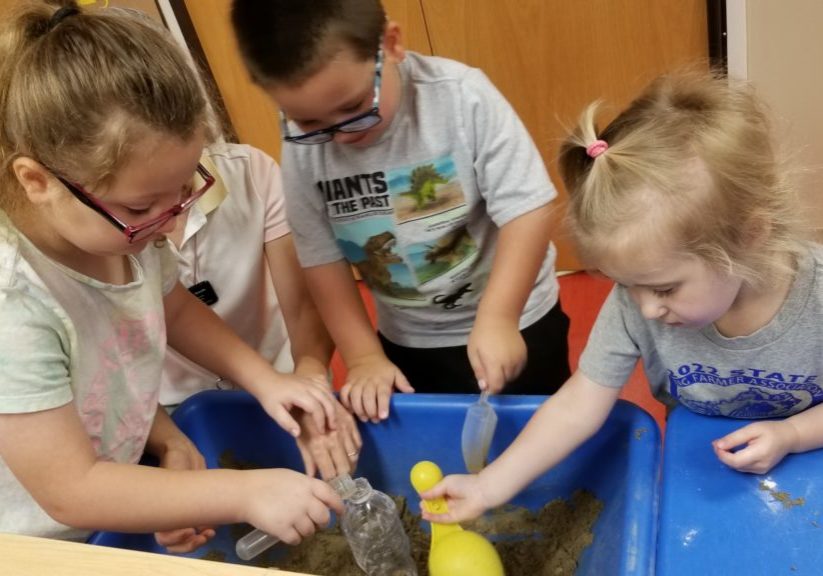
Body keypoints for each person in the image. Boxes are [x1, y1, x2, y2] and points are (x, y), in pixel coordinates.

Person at [0, 1, 345, 553]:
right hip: (39, 539)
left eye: (186, 188)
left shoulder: (126, 236)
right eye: (142, 207)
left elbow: (176, 310)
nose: (176, 220)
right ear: (37, 180)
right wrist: (241, 492)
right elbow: (71, 490)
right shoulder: (13, 303)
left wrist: (267, 379)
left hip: (111, 468)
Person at [419, 71, 823, 524]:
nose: (645, 307)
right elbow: (578, 404)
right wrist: (487, 485)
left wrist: (792, 433)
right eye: (625, 284)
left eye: (665, 288)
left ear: (748, 238)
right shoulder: (636, 301)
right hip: (699, 469)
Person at [230, 0, 571, 423]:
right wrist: (362, 357)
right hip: (410, 342)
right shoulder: (304, 152)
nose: (338, 135)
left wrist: (500, 316)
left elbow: (528, 210)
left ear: (390, 45)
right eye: (308, 123)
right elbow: (322, 260)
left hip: (518, 318)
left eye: (354, 109)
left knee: (543, 435)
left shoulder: (461, 96)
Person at [161, 141, 361, 480]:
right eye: (140, 207)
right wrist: (169, 442)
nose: (169, 215)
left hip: (281, 374)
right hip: (173, 406)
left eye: (185, 186)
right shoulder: (108, 230)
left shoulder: (251, 172)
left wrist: (308, 376)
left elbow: (303, 303)